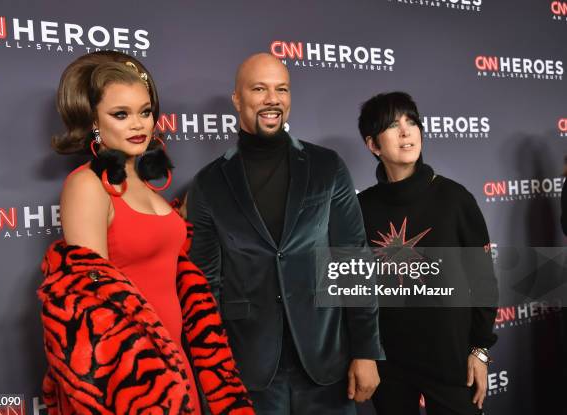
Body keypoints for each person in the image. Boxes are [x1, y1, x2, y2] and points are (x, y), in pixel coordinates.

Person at [37, 51, 253, 415]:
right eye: (121, 114)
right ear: (93, 120)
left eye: (145, 111)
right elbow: (92, 311)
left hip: (175, 365)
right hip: (130, 381)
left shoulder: (142, 183)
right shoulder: (87, 186)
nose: (138, 124)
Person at [186, 53, 384, 414]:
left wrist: (366, 350)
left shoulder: (326, 167)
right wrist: (214, 371)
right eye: (259, 89)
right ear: (237, 98)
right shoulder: (209, 184)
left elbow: (352, 257)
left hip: (326, 359)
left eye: (281, 89)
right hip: (248, 369)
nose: (272, 99)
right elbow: (204, 286)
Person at [357, 91, 498, 415]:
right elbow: (355, 292)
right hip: (389, 366)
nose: (406, 132)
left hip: (452, 362)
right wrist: (362, 353)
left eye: (411, 122)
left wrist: (479, 351)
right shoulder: (360, 208)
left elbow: (483, 281)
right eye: (393, 125)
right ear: (373, 145)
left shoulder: (455, 199)